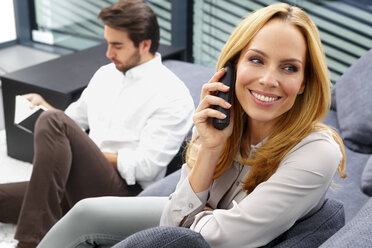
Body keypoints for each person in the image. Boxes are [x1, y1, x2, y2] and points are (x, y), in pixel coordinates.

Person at [37, 3, 347, 248]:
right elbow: (171, 226)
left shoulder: (318, 152)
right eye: (256, 60)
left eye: (289, 67)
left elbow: (212, 240)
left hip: (205, 238)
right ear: (232, 66)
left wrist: (204, 217)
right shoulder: (218, 117)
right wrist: (211, 147)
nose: (268, 79)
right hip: (192, 223)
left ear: (305, 82)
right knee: (84, 213)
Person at [0, 0, 194, 247]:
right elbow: (70, 122)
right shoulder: (105, 74)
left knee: (53, 122)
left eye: (117, 45)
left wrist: (86, 152)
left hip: (122, 192)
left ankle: (32, 240)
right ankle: (50, 211)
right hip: (78, 178)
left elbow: (146, 167)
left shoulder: (172, 94)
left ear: (144, 45)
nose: (108, 53)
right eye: (107, 43)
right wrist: (43, 105)